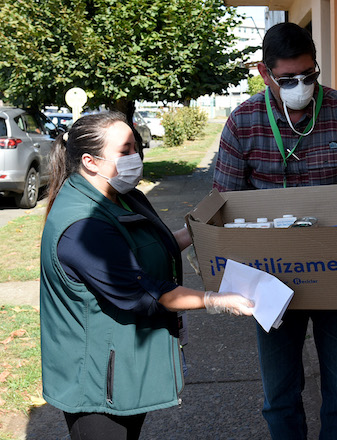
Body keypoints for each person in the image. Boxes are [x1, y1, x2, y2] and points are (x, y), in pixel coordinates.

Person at [213, 22, 337, 440]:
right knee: (279, 395)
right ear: (264, 73)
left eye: (309, 75)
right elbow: (221, 209)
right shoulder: (243, 123)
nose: (302, 86)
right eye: (288, 80)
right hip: (269, 280)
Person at [40, 112, 254, 440]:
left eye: (136, 148)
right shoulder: (82, 227)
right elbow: (144, 292)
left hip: (124, 366)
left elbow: (158, 246)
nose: (136, 159)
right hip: (96, 384)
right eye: (124, 151)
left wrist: (199, 229)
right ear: (90, 161)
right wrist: (215, 300)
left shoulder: (124, 197)